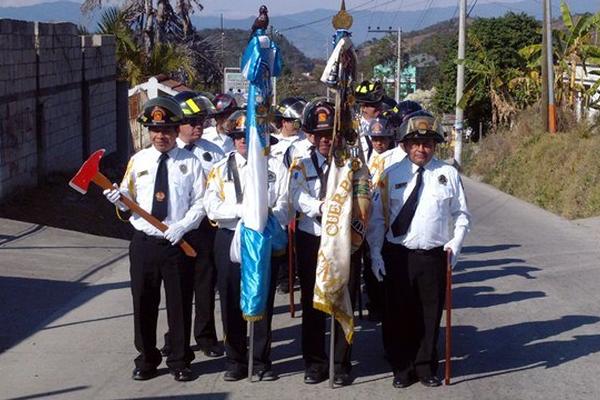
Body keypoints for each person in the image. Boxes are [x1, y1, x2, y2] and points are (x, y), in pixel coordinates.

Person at [103, 96, 205, 382]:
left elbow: (201, 201)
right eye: (155, 131)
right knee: (144, 302)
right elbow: (127, 196)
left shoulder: (191, 162)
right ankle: (147, 358)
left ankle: (180, 359)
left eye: (167, 131)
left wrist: (183, 226)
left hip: (177, 242)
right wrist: (119, 200)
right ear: (148, 131)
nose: (161, 136)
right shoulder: (138, 160)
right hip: (145, 243)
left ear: (176, 131)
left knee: (180, 304)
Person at [367, 112, 470, 389]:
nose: (421, 149)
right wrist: (375, 253)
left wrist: (455, 245)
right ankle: (402, 367)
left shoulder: (447, 174)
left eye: (427, 144)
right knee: (399, 314)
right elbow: (377, 220)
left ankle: (426, 367)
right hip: (398, 255)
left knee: (429, 314)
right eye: (415, 143)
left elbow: (461, 215)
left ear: (435, 146)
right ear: (404, 145)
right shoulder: (390, 175)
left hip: (433, 256)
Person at [204, 110, 289, 382]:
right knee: (230, 299)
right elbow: (212, 208)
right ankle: (235, 360)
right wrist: (243, 210)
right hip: (230, 236)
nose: (244, 141)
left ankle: (262, 360)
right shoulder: (219, 168)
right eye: (239, 136)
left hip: (263, 234)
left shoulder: (275, 168)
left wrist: (262, 215)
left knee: (262, 296)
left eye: (249, 136)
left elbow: (285, 204)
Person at [290, 98, 360, 386]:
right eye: (319, 135)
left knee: (344, 297)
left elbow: (363, 202)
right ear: (309, 136)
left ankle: (341, 363)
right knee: (313, 303)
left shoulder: (352, 166)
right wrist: (322, 208)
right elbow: (295, 195)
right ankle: (315, 363)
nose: (324, 141)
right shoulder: (300, 165)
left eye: (329, 134)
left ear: (338, 136)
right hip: (312, 240)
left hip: (343, 242)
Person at [159, 91, 225, 359]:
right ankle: (174, 338)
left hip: (204, 228)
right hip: (174, 228)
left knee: (205, 283)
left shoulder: (214, 153)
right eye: (191, 122)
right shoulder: (167, 153)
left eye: (201, 121)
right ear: (178, 124)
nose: (197, 126)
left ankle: (206, 336)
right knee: (175, 289)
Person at [354, 80, 384, 161]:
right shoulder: (354, 129)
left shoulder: (389, 125)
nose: (380, 108)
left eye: (380, 104)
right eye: (375, 105)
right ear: (363, 107)